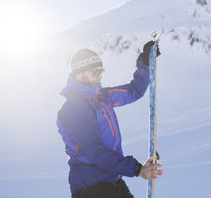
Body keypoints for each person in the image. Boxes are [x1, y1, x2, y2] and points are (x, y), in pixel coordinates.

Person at [57, 41, 163, 198]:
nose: (100, 76)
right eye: (95, 72)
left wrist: (145, 62)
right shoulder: (74, 108)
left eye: (102, 71)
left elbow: (134, 91)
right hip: (91, 188)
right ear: (79, 74)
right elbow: (96, 152)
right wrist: (137, 169)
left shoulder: (101, 96)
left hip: (113, 180)